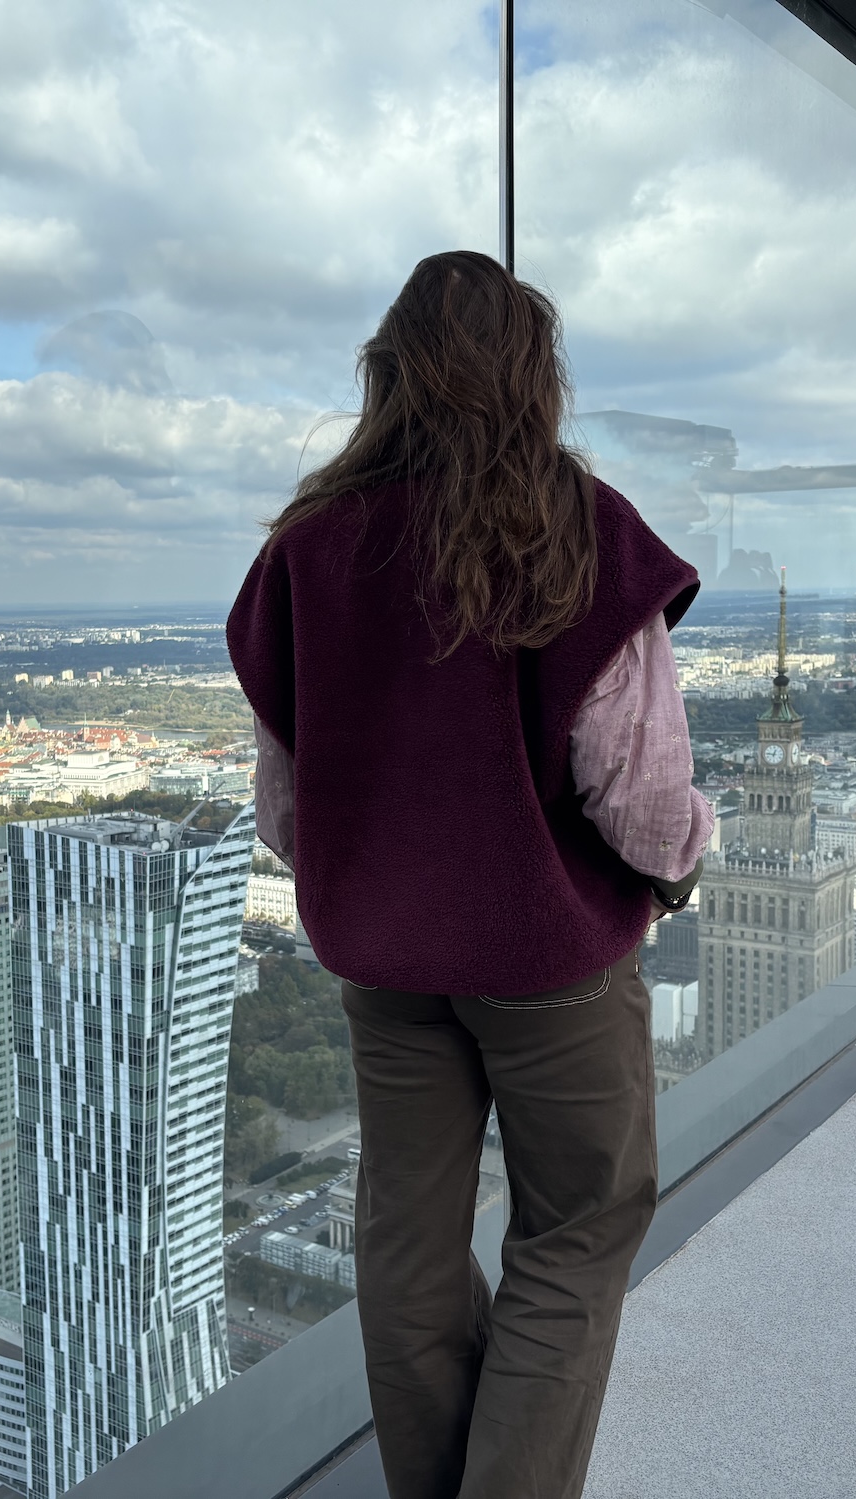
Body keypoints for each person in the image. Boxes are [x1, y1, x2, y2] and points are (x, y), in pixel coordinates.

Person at [227, 250, 711, 1499]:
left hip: (385, 965)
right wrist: (668, 879)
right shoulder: (575, 525)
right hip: (547, 961)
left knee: (408, 1242)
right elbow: (639, 792)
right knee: (579, 1225)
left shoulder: (309, 546)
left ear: (386, 375)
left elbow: (286, 806)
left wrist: (385, 879)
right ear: (532, 377)